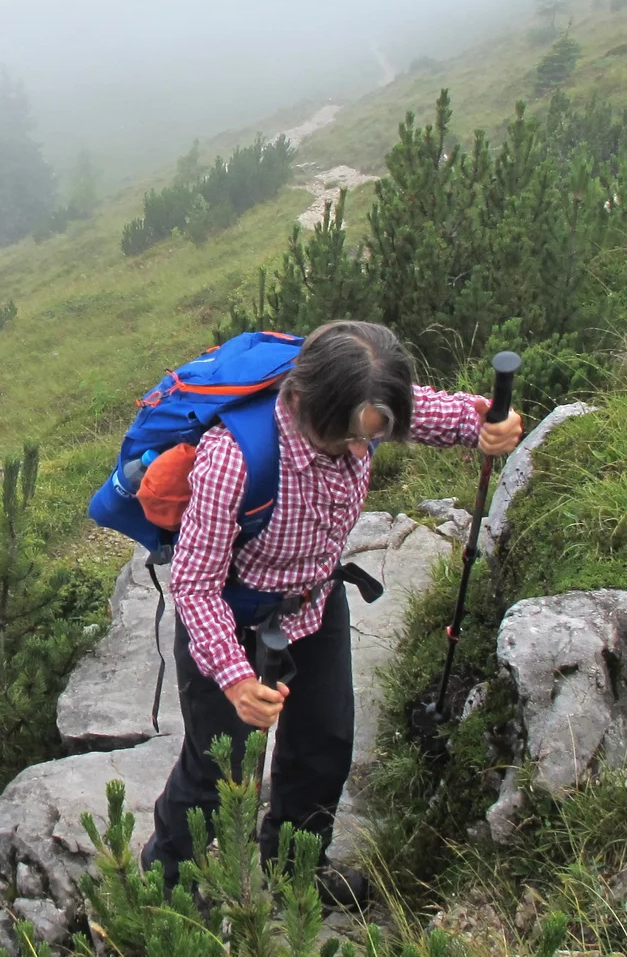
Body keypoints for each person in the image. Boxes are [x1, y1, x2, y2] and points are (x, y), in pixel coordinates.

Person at [139, 320, 525, 905]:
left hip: (316, 604)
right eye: (343, 438)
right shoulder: (234, 458)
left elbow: (424, 413)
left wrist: (484, 426)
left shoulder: (360, 407)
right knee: (218, 772)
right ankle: (158, 896)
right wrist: (238, 680)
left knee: (323, 745)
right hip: (235, 623)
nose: (358, 450)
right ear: (298, 402)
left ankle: (296, 875)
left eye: (372, 437)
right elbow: (194, 585)